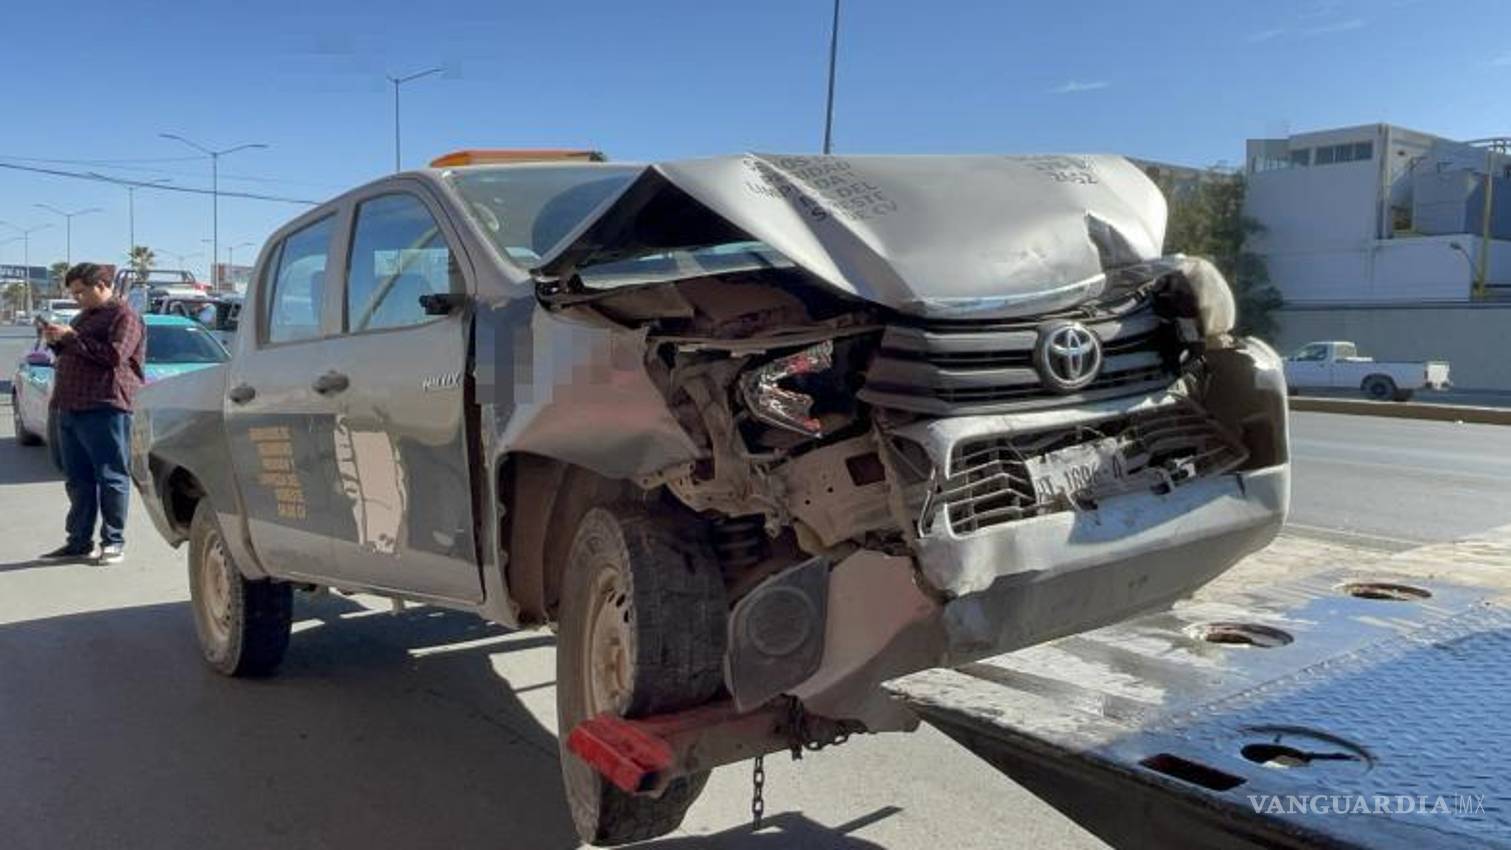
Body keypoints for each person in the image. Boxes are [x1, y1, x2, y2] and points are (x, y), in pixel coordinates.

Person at [38, 263, 146, 565]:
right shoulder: (83, 317)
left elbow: (114, 356)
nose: (77, 299)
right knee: (78, 480)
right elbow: (76, 353)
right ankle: (78, 541)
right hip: (70, 406)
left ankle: (113, 542)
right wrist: (57, 343)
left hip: (105, 406)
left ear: (101, 285)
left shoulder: (124, 316)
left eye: (81, 292)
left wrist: (71, 337)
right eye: (73, 294)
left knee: (111, 476)